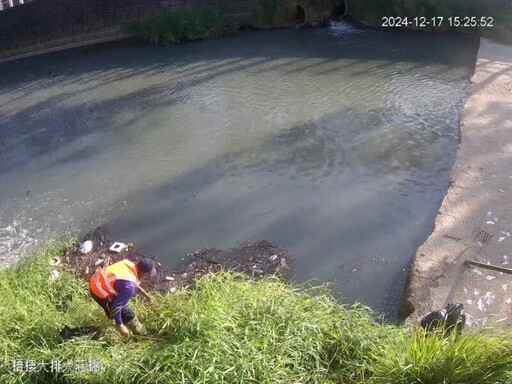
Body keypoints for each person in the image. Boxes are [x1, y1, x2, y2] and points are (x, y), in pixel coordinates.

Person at [89, 258, 156, 336]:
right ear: (144, 273)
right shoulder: (129, 287)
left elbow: (130, 281)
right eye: (147, 274)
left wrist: (148, 296)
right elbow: (116, 307)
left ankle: (113, 317)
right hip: (98, 291)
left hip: (95, 280)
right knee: (128, 315)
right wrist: (120, 325)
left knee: (112, 312)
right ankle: (142, 334)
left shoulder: (127, 263)